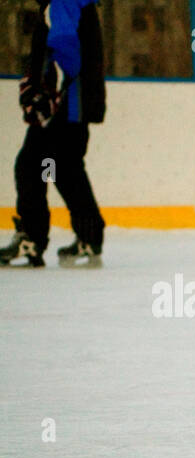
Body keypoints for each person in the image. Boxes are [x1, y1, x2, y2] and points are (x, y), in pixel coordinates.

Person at [0, 0, 106, 269]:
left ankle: (34, 238)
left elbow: (64, 43)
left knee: (36, 166)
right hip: (72, 104)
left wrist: (53, 91)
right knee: (56, 167)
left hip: (67, 105)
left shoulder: (62, 2)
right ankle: (85, 236)